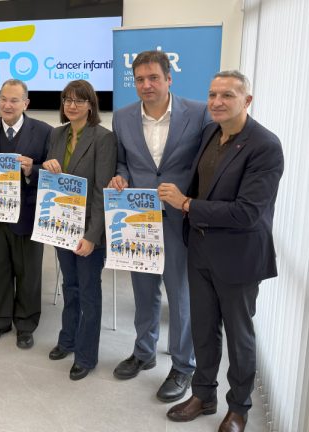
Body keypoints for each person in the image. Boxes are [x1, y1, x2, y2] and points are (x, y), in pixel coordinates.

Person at [159, 71, 284, 432]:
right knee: (203, 328)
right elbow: (201, 184)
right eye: (212, 94)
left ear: (247, 101)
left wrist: (186, 205)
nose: (216, 101)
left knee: (239, 335)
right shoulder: (209, 134)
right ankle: (203, 395)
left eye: (227, 95)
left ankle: (239, 409)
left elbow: (247, 211)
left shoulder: (265, 145)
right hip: (199, 249)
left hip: (239, 256)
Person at [109, 50, 210, 402]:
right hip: (139, 220)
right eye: (140, 79)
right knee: (143, 291)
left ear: (169, 79)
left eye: (153, 77)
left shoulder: (198, 114)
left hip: (180, 220)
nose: (146, 85)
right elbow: (123, 161)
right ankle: (144, 352)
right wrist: (120, 177)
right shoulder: (121, 118)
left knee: (180, 295)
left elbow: (207, 165)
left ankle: (183, 365)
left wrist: (188, 199)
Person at [0, 79, 52, 349]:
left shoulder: (44, 131)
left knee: (28, 274)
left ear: (26, 103)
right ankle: (0, 319)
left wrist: (31, 170)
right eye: (3, 98)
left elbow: (50, 174)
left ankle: (26, 324)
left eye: (14, 100)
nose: (7, 104)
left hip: (26, 218)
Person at [42, 80, 116, 380]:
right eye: (67, 100)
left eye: (79, 100)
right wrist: (46, 168)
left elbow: (101, 192)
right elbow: (52, 179)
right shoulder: (57, 134)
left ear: (90, 104)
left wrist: (91, 236)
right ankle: (67, 338)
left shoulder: (103, 138)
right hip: (62, 226)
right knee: (69, 287)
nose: (72, 105)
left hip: (88, 231)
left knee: (88, 292)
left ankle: (86, 355)